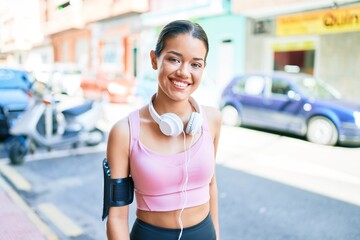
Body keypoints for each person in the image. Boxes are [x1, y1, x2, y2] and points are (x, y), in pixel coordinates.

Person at [103, 19, 222, 240]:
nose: (184, 72)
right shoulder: (124, 132)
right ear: (154, 59)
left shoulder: (212, 119)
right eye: (174, 59)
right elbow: (117, 217)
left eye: (195, 64)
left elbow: (211, 186)